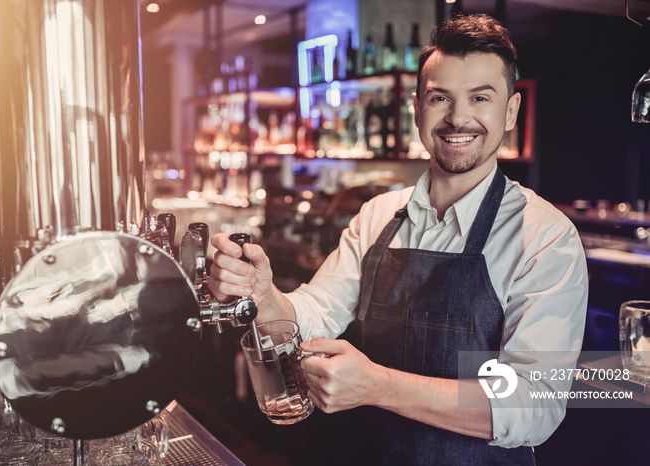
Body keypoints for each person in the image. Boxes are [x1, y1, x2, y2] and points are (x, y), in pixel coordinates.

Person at [209, 14, 588, 465]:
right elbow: (314, 314)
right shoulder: (378, 215)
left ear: (510, 113)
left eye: (480, 97)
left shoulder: (545, 237)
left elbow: (533, 406)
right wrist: (262, 293)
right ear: (416, 109)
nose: (458, 117)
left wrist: (378, 386)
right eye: (439, 98)